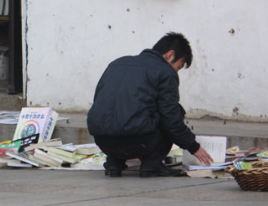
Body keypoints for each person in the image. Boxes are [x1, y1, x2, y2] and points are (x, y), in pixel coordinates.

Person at [87, 32, 214, 178]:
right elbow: (170, 118)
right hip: (137, 141)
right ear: (170, 55)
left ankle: (114, 163)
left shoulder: (116, 64)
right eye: (178, 67)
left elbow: (100, 101)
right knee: (175, 111)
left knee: (121, 112)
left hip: (103, 141)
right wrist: (193, 146)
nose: (176, 71)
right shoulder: (165, 72)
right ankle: (151, 165)